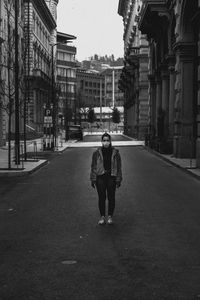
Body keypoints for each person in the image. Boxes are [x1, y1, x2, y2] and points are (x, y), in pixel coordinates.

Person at [90, 133, 122, 225]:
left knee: (111, 198)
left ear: (110, 141)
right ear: (101, 141)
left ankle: (110, 217)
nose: (106, 142)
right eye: (104, 140)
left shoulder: (115, 153)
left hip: (111, 177)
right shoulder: (96, 153)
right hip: (100, 177)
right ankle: (102, 217)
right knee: (101, 198)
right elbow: (93, 167)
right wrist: (93, 178)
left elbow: (119, 167)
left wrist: (118, 179)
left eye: (107, 140)